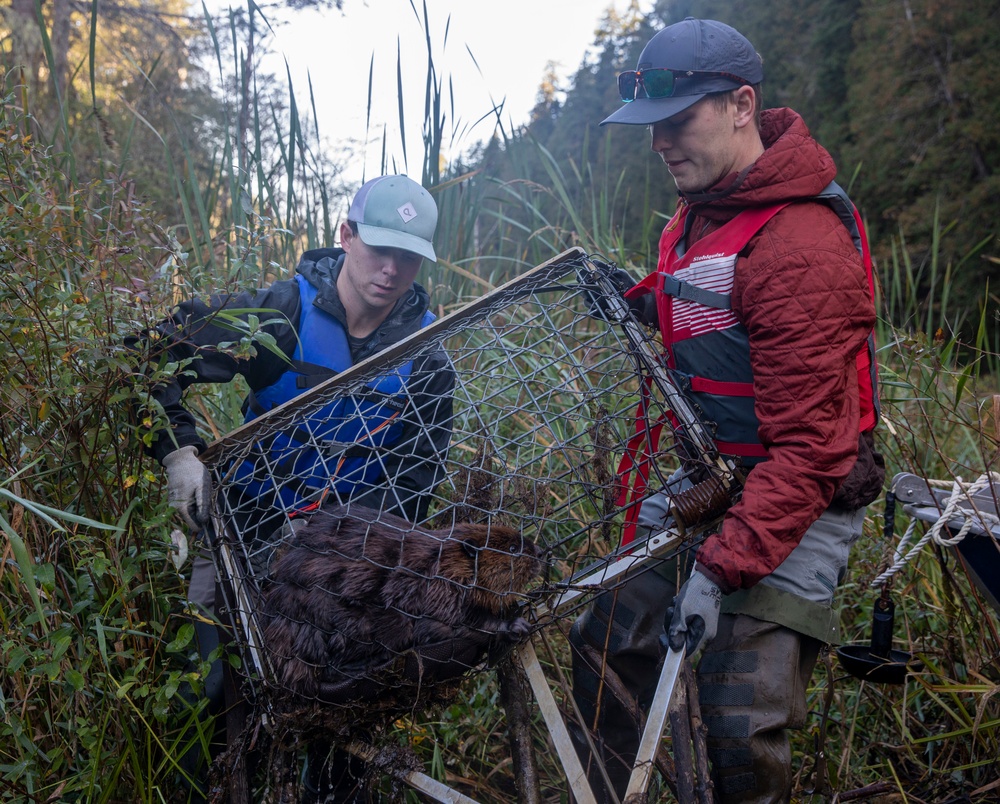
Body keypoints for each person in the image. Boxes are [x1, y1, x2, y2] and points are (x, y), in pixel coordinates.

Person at [570, 18, 884, 803]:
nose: (660, 145)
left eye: (678, 124)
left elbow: (811, 454)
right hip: (708, 477)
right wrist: (637, 301)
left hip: (802, 498)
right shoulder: (705, 204)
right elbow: (713, 309)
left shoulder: (800, 243)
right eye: (653, 127)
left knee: (739, 722)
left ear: (742, 105)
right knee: (608, 638)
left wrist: (717, 569)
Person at [141, 174, 454, 801]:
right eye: (379, 248)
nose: (391, 270)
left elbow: (412, 491)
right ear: (346, 235)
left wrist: (337, 558)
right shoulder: (281, 313)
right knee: (204, 691)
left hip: (344, 564)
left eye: (408, 257)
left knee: (339, 722)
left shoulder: (427, 360)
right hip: (242, 530)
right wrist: (179, 451)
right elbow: (156, 353)